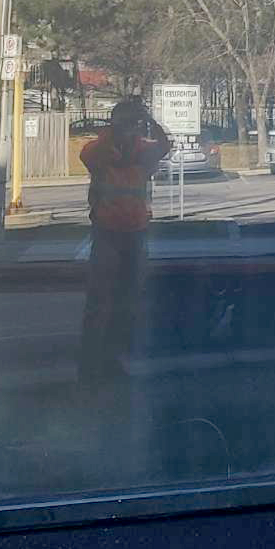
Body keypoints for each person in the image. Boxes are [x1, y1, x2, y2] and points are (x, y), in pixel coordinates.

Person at [77, 98, 173, 384]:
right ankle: (91, 363)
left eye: (133, 125)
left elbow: (164, 146)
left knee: (127, 299)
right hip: (108, 232)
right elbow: (88, 155)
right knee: (100, 300)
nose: (130, 130)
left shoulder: (142, 150)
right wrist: (115, 131)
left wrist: (149, 120)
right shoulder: (100, 151)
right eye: (127, 124)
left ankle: (115, 358)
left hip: (135, 231)